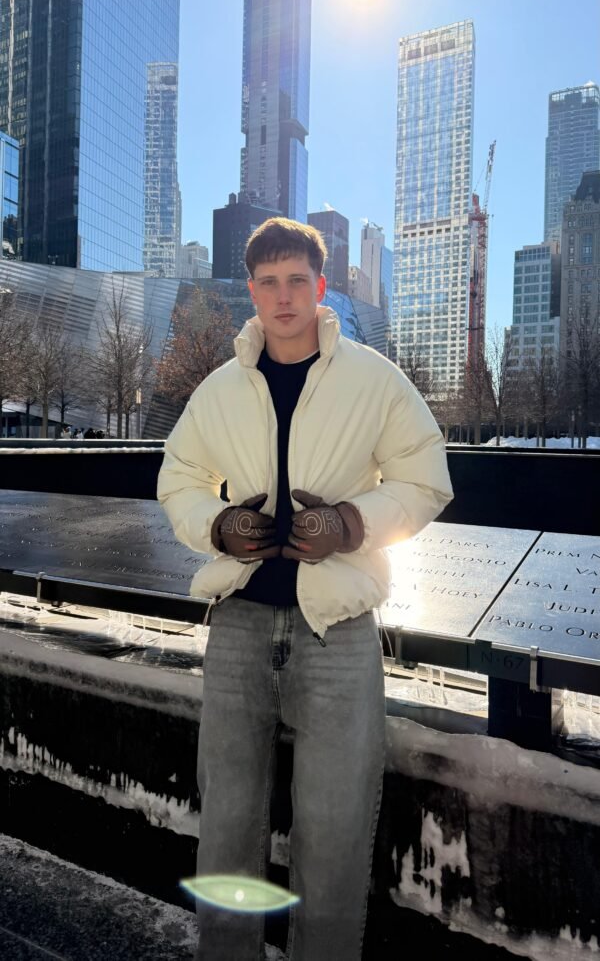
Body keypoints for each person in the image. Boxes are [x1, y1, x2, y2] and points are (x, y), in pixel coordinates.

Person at [157, 218, 453, 961]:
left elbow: (426, 478)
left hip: (338, 632)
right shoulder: (219, 389)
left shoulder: (374, 380)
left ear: (321, 287)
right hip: (240, 625)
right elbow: (178, 478)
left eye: (297, 280)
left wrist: (350, 523)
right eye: (269, 282)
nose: (283, 296)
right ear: (251, 292)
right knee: (227, 828)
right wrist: (219, 525)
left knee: (335, 833)